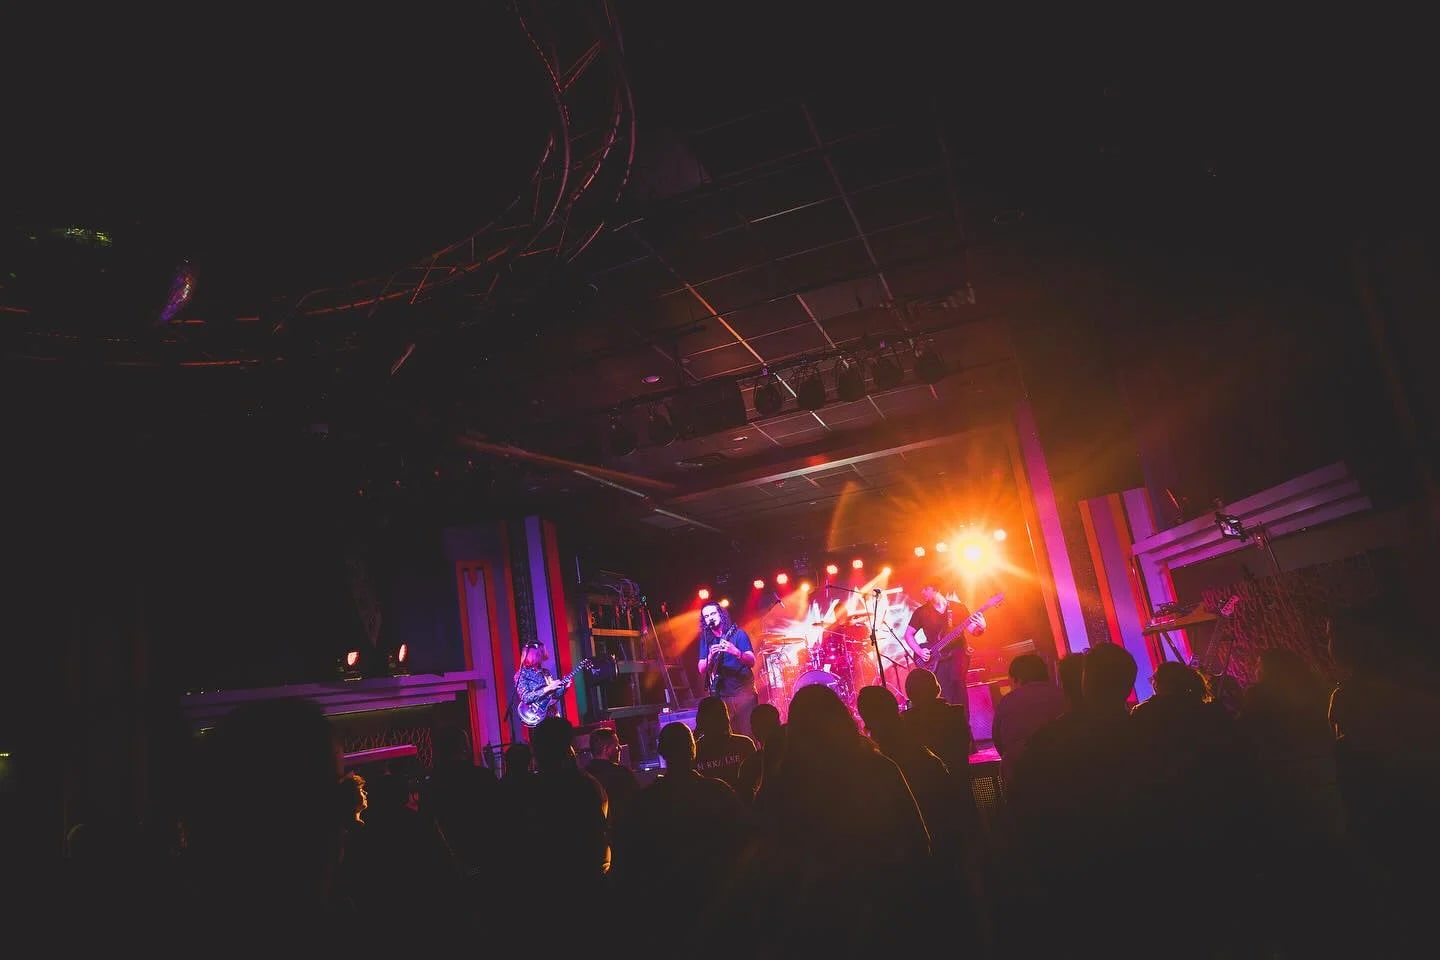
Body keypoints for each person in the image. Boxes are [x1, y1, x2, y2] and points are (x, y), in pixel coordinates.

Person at [901, 580, 986, 708]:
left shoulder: (958, 608)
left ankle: (963, 718)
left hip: (958, 656)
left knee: (958, 689)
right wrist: (920, 651)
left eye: (926, 588)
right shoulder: (921, 612)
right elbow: (908, 635)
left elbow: (973, 631)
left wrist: (982, 627)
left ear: (936, 589)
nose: (922, 592)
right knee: (943, 691)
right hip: (936, 660)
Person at [695, 600, 759, 736]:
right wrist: (711, 655)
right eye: (706, 616)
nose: (710, 618)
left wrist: (736, 652)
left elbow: (752, 661)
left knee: (749, 734)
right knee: (729, 736)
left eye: (713, 614)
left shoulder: (738, 634)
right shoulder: (706, 640)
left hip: (744, 693)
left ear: (721, 614)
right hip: (723, 696)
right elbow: (701, 669)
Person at [513, 641, 572, 727]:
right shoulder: (521, 674)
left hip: (552, 715)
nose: (543, 656)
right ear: (535, 655)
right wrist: (548, 688)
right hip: (536, 716)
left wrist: (564, 688)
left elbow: (553, 698)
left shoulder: (546, 672)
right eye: (541, 653)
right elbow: (526, 698)